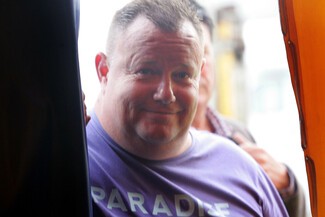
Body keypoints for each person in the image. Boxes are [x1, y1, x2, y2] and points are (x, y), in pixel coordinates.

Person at [86, 0, 289, 216]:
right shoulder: (66, 158)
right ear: (104, 71)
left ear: (199, 74)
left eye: (182, 75)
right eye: (146, 71)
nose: (166, 93)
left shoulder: (243, 173)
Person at [189, 1, 307, 216]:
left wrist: (286, 185)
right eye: (186, 54)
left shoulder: (237, 133)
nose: (197, 66)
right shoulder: (152, 141)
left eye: (203, 52)